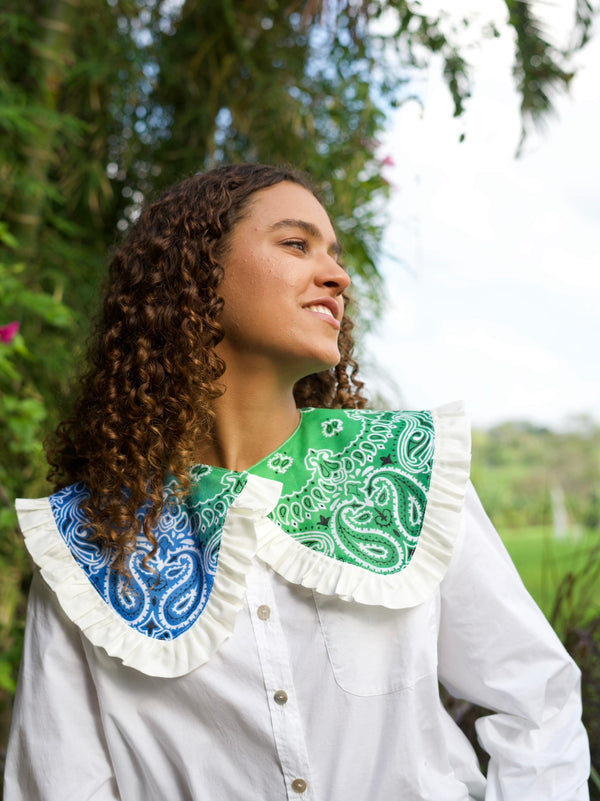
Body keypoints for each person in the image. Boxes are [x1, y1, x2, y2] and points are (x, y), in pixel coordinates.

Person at [4, 163, 590, 800]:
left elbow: (537, 702)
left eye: (334, 254)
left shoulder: (405, 470)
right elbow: (59, 784)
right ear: (196, 277)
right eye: (295, 243)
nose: (338, 275)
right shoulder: (89, 540)